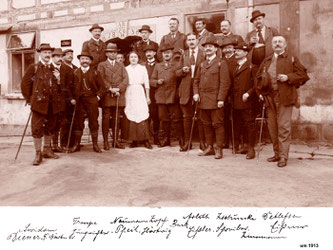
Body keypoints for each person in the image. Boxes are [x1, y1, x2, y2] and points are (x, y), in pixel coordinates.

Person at [255, 36, 309, 167]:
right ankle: (277, 154)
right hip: (269, 98)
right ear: (272, 45)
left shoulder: (291, 58)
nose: (277, 44)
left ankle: (283, 157)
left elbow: (303, 75)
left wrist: (288, 77)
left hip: (284, 97)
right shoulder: (267, 60)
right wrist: (260, 93)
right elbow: (258, 78)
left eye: (280, 42)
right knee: (272, 127)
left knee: (283, 127)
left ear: (285, 45)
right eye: (275, 42)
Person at [21, 43, 64, 165]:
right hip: (39, 104)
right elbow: (25, 85)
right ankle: (38, 153)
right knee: (37, 128)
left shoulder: (54, 69)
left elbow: (60, 88)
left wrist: (59, 79)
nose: (47, 55)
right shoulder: (33, 68)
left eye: (49, 53)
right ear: (39, 53)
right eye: (45, 52)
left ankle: (47, 150)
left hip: (52, 104)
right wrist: (30, 99)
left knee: (51, 127)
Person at [193, 37, 231, 159]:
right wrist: (196, 93)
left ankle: (218, 148)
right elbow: (196, 81)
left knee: (218, 124)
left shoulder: (221, 63)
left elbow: (225, 83)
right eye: (206, 47)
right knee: (206, 124)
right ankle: (209, 147)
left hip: (215, 99)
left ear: (216, 49)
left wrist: (221, 99)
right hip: (203, 99)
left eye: (210, 46)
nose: (208, 48)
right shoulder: (202, 64)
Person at [70, 52, 106, 153]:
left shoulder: (95, 73)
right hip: (79, 101)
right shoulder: (75, 72)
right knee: (78, 123)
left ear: (90, 61)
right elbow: (70, 87)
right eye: (82, 59)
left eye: (86, 59)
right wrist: (72, 98)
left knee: (93, 122)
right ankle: (76, 144)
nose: (84, 61)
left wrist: (97, 98)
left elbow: (103, 88)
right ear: (80, 61)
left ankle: (95, 145)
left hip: (92, 100)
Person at [176, 33, 206, 152]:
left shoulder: (203, 53)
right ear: (186, 42)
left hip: (199, 88)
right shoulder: (184, 55)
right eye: (189, 40)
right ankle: (187, 142)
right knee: (186, 117)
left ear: (197, 40)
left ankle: (202, 143)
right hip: (186, 90)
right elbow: (176, 73)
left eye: (193, 39)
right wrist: (183, 71)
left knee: (201, 117)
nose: (191, 42)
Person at [151, 44, 184, 149]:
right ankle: (166, 140)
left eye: (168, 53)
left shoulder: (177, 65)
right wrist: (157, 82)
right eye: (164, 53)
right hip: (161, 97)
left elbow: (180, 79)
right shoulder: (158, 66)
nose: (166, 55)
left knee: (177, 119)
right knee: (163, 119)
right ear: (162, 55)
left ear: (172, 54)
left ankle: (181, 140)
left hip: (173, 96)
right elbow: (151, 80)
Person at [97, 43, 129, 150]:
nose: (113, 54)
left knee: (117, 119)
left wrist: (119, 89)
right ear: (106, 53)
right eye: (111, 52)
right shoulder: (102, 65)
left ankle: (115, 141)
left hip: (118, 95)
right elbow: (101, 79)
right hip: (107, 94)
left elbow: (126, 79)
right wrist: (110, 88)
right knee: (106, 118)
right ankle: (106, 141)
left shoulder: (121, 65)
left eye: (115, 52)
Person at [232, 43, 256, 159]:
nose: (236, 52)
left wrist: (248, 93)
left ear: (246, 53)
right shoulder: (236, 66)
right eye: (236, 50)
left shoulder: (251, 67)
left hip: (247, 101)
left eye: (239, 51)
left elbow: (257, 85)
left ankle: (251, 149)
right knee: (240, 124)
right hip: (237, 101)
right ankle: (244, 146)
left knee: (249, 124)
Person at [124, 51, 152, 149]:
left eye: (135, 57)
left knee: (142, 114)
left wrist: (147, 96)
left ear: (138, 58)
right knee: (132, 114)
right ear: (128, 59)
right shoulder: (125, 69)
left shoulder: (142, 68)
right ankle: (134, 140)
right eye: (131, 57)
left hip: (140, 92)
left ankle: (145, 140)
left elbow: (147, 83)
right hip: (130, 92)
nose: (133, 59)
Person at [59, 49, 77, 149]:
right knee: (65, 123)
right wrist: (70, 98)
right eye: (68, 54)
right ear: (63, 57)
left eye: (71, 54)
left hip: (75, 100)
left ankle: (72, 143)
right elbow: (63, 86)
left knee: (73, 122)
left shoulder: (75, 68)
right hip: (65, 100)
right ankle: (64, 144)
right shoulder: (62, 68)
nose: (70, 56)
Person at [144, 44, 160, 146]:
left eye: (151, 52)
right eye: (147, 52)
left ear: (154, 53)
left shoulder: (159, 65)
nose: (149, 54)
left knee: (156, 116)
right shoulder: (141, 65)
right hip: (144, 94)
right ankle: (145, 138)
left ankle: (156, 137)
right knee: (145, 116)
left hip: (156, 93)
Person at [50, 48, 66, 153]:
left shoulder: (66, 69)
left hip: (62, 101)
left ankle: (56, 145)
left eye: (61, 56)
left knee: (60, 123)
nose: (60, 58)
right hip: (51, 101)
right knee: (51, 123)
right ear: (53, 57)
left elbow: (67, 86)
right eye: (57, 56)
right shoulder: (48, 68)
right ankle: (49, 145)